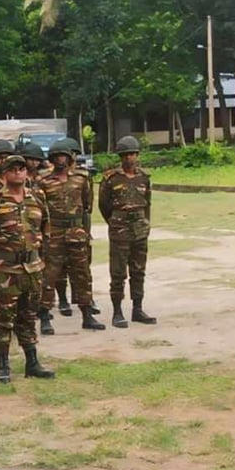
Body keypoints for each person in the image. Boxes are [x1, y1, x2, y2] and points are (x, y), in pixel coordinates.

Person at [0, 155, 54, 383]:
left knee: (28, 316)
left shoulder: (37, 197)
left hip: (32, 267)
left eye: (22, 169)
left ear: (27, 173)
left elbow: (45, 228)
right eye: (13, 169)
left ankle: (32, 362)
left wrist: (40, 257)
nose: (18, 173)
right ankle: (3, 365)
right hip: (6, 269)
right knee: (3, 319)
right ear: (4, 174)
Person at [37, 139, 104, 333]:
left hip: (76, 233)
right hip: (54, 233)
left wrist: (84, 231)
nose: (60, 160)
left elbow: (87, 206)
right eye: (57, 156)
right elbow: (39, 210)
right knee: (49, 275)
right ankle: (44, 316)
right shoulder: (43, 181)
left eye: (63, 156)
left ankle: (87, 314)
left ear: (70, 158)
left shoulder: (81, 179)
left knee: (82, 274)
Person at [98, 135, 157, 328]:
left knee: (138, 271)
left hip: (140, 230)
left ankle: (137, 309)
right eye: (125, 155)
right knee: (118, 272)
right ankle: (117, 311)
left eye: (132, 154)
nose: (129, 158)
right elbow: (104, 205)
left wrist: (145, 223)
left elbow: (147, 203)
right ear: (120, 157)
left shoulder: (144, 177)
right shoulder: (110, 179)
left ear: (137, 155)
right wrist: (116, 222)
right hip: (120, 230)